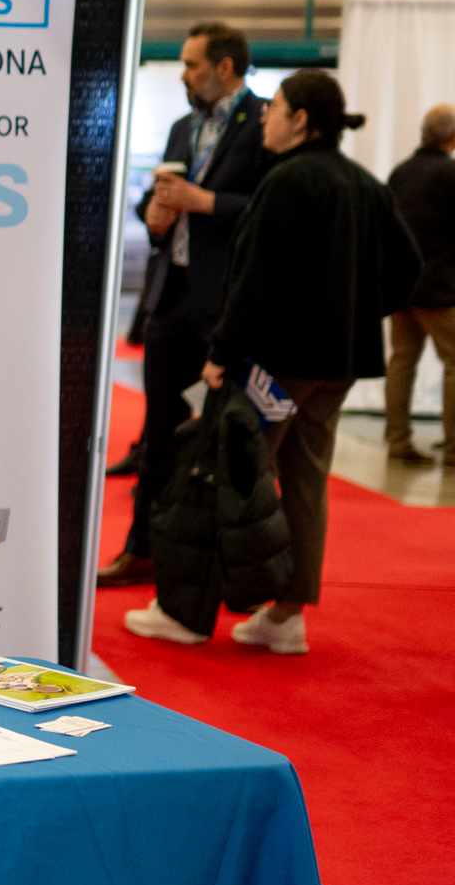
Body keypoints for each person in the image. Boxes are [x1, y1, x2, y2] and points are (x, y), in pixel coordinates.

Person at [125, 70, 420, 653]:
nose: (265, 114)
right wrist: (356, 316)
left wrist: (221, 353)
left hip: (275, 365)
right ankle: (286, 616)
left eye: (276, 106)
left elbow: (253, 280)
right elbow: (407, 267)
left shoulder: (286, 181)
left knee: (224, 475)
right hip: (337, 365)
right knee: (305, 481)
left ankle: (185, 613)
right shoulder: (364, 183)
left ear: (301, 120)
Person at [100, 23, 268, 587]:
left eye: (192, 65)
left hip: (227, 305)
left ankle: (225, 567)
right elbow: (162, 195)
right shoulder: (182, 128)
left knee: (230, 441)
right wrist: (152, 213)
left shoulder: (262, 123)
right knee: (159, 435)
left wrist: (207, 201)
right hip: (170, 297)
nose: (183, 75)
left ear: (224, 68)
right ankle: (142, 551)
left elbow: (268, 210)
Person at [383, 103, 455, 466]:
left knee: (401, 362)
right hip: (440, 290)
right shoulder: (450, 174)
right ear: (451, 137)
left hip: (402, 288)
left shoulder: (401, 172)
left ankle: (398, 441)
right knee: (454, 363)